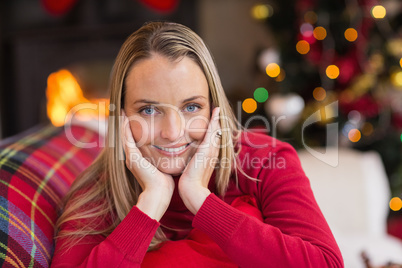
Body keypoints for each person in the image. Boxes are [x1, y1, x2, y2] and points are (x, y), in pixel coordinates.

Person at [51, 21, 343, 267]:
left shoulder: (263, 160)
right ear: (121, 116)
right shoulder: (97, 196)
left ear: (214, 108)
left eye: (191, 107)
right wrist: (150, 204)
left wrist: (200, 200)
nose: (173, 132)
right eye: (149, 110)